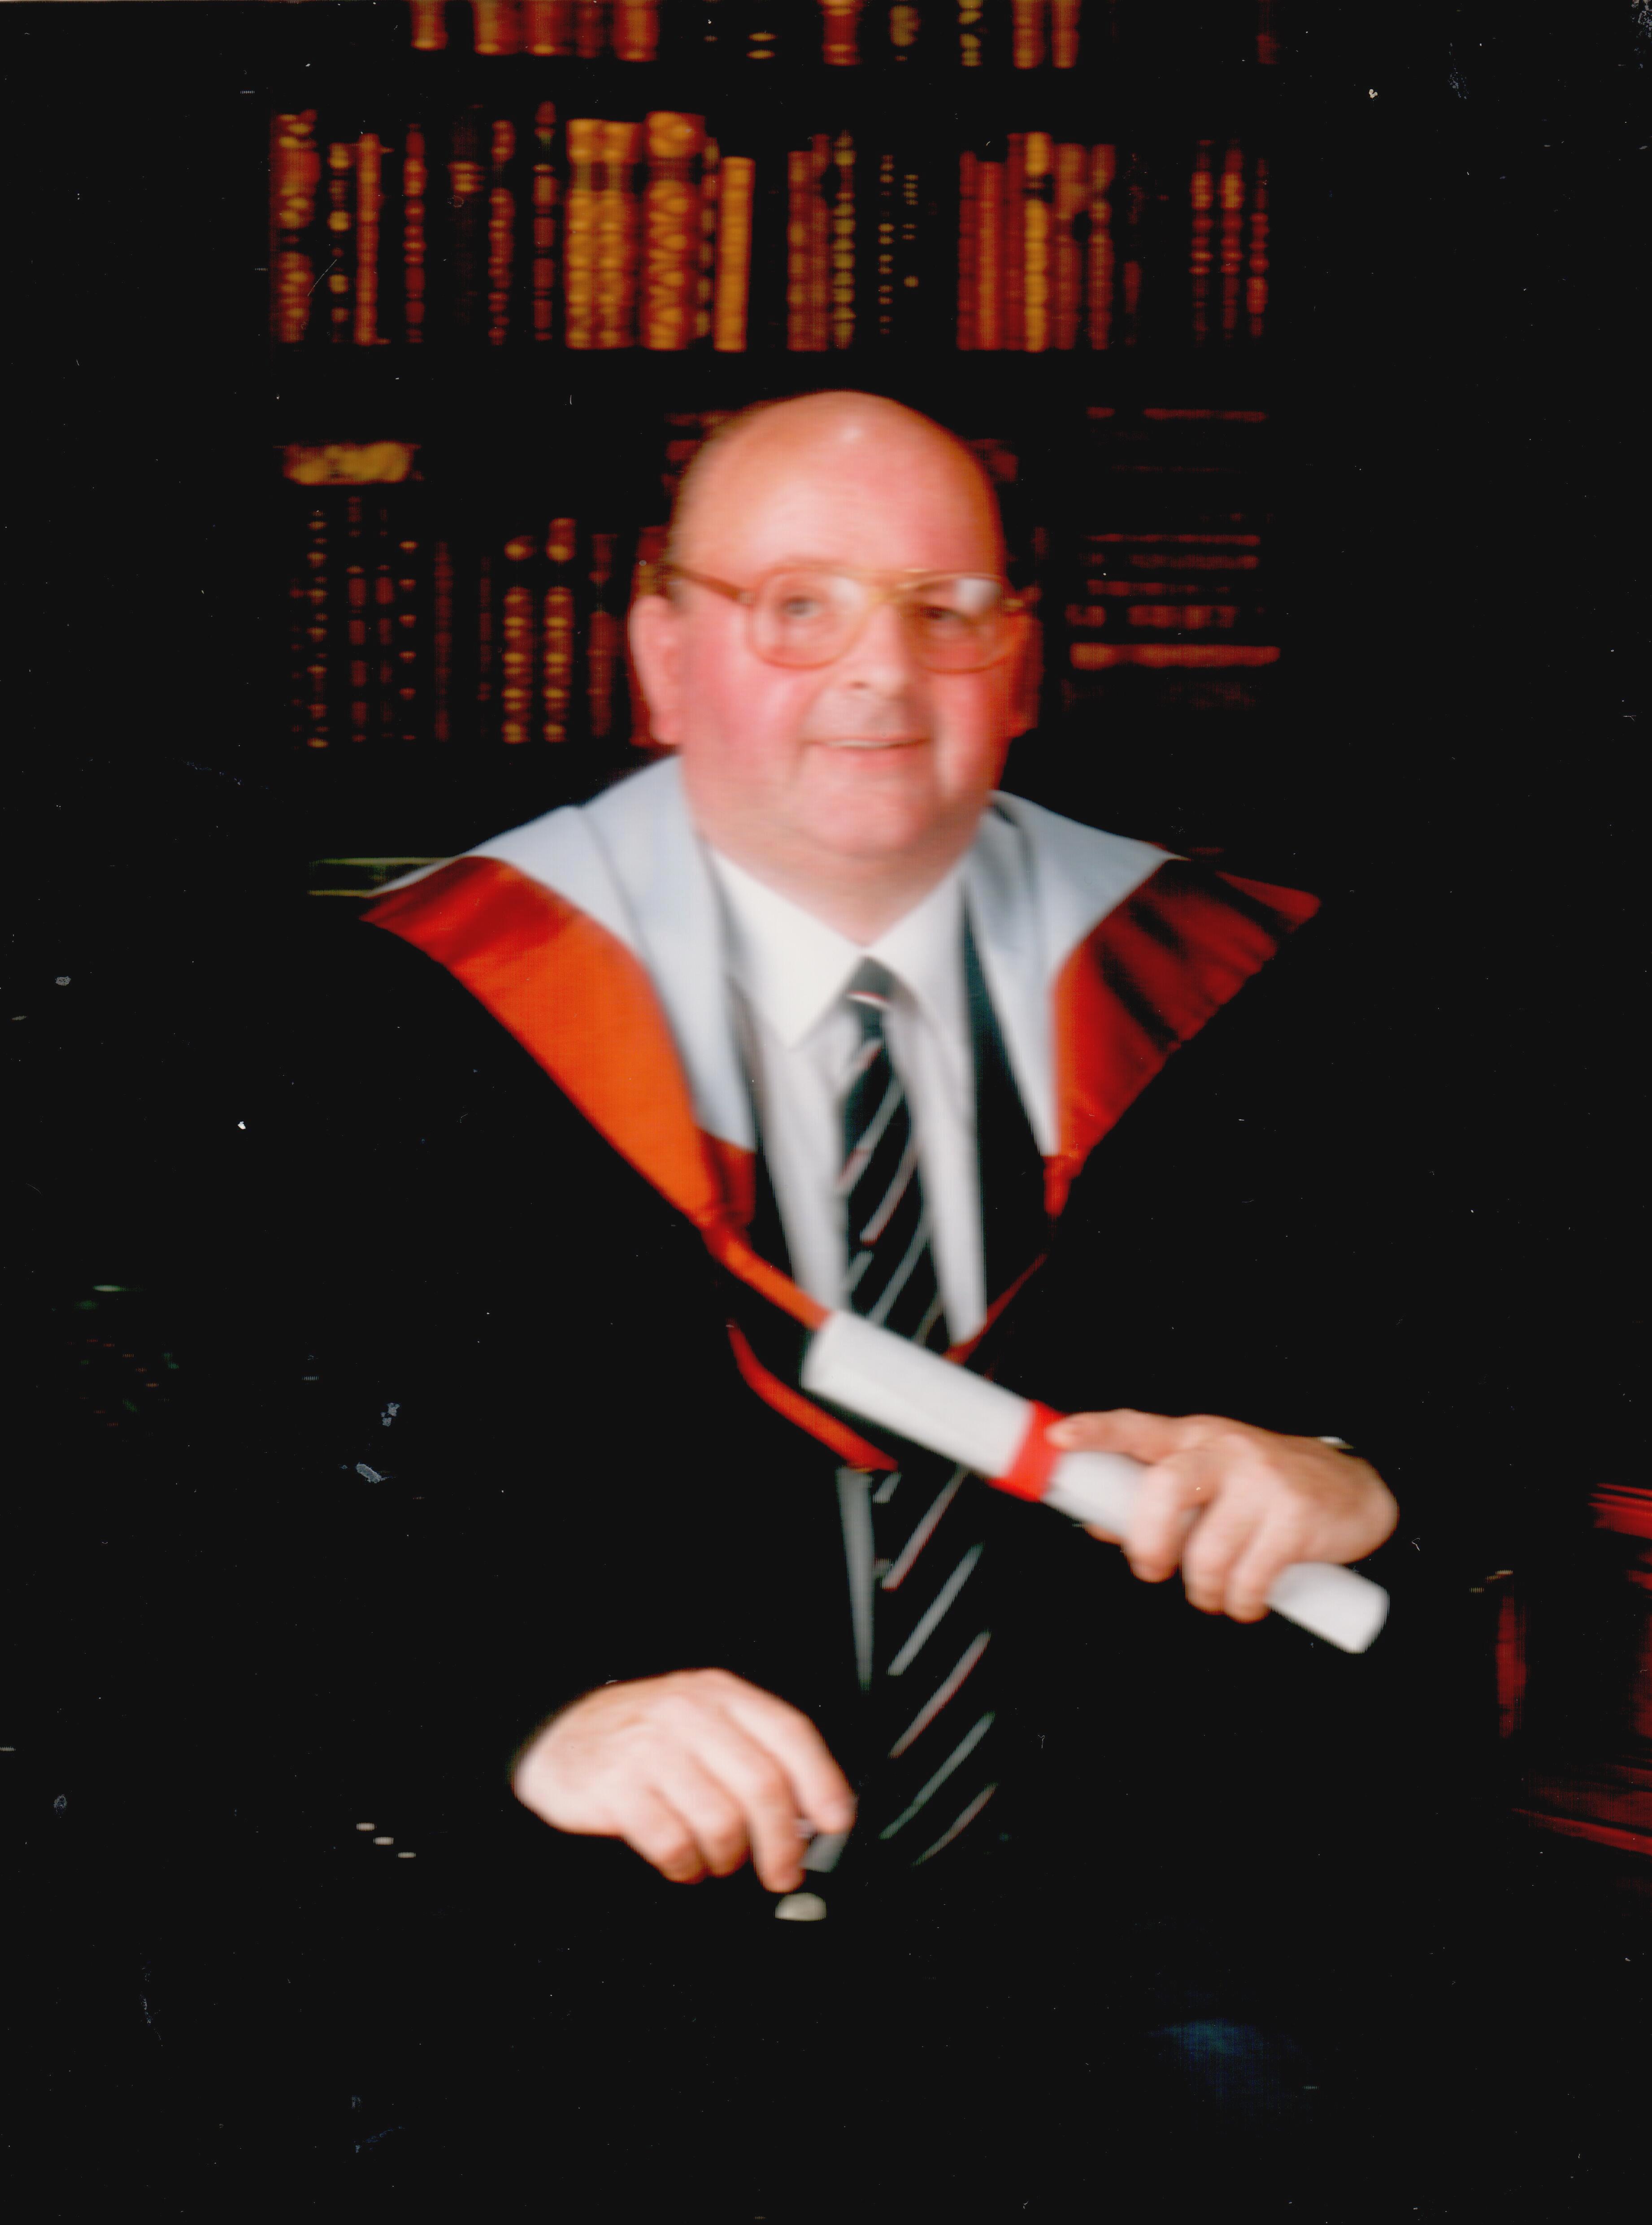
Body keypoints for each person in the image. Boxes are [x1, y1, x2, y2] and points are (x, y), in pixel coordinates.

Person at [274, 391, 1416, 2213]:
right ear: (662, 657)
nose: (879, 674)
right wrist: (527, 1722)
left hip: (1145, 1929)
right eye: (794, 606)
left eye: (943, 609)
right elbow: (235, 1506)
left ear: (1020, 663)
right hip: (612, 1933)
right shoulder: (388, 1018)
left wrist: (1357, 1469)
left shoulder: (1253, 983)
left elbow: (1487, 1351)